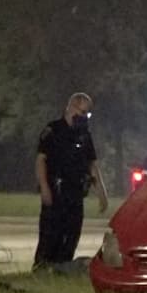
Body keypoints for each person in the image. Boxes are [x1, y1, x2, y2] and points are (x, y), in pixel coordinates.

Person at [34, 93, 109, 272]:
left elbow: (92, 164)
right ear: (71, 108)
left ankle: (63, 269)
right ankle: (42, 267)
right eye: (82, 112)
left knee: (72, 233)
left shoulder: (84, 135)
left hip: (75, 192)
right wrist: (44, 187)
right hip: (56, 190)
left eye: (87, 114)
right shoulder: (53, 130)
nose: (84, 117)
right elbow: (40, 160)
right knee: (51, 232)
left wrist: (102, 192)